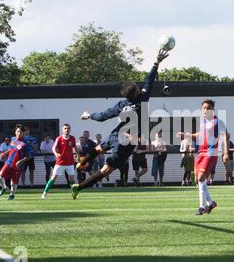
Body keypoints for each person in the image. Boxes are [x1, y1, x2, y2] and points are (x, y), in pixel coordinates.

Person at [70, 49, 169, 198]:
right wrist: (156, 64)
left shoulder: (122, 104)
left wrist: (89, 115)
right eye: (137, 87)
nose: (139, 87)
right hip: (126, 142)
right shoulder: (142, 99)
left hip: (115, 134)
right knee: (106, 170)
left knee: (98, 148)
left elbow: (103, 116)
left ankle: (80, 162)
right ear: (135, 92)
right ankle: (79, 187)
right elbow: (149, 81)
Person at [177, 99, 229, 215]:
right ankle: (211, 203)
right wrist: (186, 135)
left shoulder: (218, 122)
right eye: (204, 108)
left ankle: (202, 207)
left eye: (208, 108)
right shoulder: (203, 122)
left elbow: (225, 136)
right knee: (197, 180)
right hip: (201, 153)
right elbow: (200, 135)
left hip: (211, 153)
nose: (205, 110)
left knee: (201, 178)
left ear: (212, 109)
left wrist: (226, 153)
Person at [41, 124, 79, 199]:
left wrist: (78, 156)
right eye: (65, 128)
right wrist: (56, 153)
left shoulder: (72, 138)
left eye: (68, 128)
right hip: (60, 162)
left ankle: (74, 194)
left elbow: (75, 147)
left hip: (70, 162)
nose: (67, 130)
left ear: (70, 129)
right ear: (62, 130)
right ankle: (44, 193)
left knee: (72, 179)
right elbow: (53, 148)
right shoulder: (59, 138)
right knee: (53, 177)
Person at [0, 124, 34, 200]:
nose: (19, 133)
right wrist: (5, 153)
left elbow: (29, 156)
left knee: (14, 182)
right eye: (18, 131)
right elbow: (11, 149)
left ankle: (12, 195)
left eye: (21, 132)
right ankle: (4, 188)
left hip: (18, 166)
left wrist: (21, 161)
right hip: (8, 162)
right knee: (0, 177)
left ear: (23, 133)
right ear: (15, 132)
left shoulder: (25, 143)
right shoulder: (12, 140)